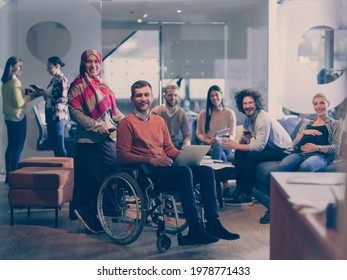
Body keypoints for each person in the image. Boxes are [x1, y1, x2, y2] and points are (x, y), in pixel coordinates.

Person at [117, 80, 240, 245]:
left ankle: (213, 223)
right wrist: (152, 160)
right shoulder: (126, 123)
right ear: (132, 99)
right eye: (139, 95)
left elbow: (169, 149)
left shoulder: (158, 121)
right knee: (183, 171)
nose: (143, 98)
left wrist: (187, 155)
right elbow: (122, 156)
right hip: (146, 172)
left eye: (146, 94)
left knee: (206, 171)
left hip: (166, 167)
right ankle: (195, 228)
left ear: (152, 97)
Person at [68, 49, 125, 233]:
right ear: (83, 63)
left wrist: (130, 123)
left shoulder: (103, 86)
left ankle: (92, 211)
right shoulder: (77, 85)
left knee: (113, 173)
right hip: (88, 140)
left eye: (96, 62)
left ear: (100, 64)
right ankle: (87, 212)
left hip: (108, 137)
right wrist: (96, 125)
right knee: (92, 180)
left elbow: (114, 114)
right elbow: (74, 113)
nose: (93, 65)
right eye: (89, 61)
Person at [222, 89, 292, 223]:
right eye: (245, 103)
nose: (247, 106)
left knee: (252, 156)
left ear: (257, 104)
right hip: (269, 148)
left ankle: (247, 194)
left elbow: (258, 146)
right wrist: (240, 141)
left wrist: (234, 145)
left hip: (283, 150)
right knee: (239, 152)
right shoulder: (248, 120)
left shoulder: (262, 118)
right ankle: (239, 189)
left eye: (250, 103)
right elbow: (247, 140)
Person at [278, 93, 343, 172]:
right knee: (283, 166)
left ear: (328, 104)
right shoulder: (306, 124)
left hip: (320, 156)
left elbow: (336, 148)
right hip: (300, 154)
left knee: (306, 166)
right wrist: (303, 133)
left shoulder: (335, 124)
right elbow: (294, 145)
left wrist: (317, 147)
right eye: (315, 104)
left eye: (322, 103)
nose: (318, 106)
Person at [1, 56, 38, 184]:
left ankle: (9, 175)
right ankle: (14, 176)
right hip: (18, 118)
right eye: (19, 66)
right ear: (12, 67)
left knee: (11, 146)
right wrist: (30, 96)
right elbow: (19, 103)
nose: (21, 68)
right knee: (18, 147)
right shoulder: (15, 82)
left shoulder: (5, 82)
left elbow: (13, 100)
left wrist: (24, 94)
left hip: (8, 118)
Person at [196, 85, 236, 191]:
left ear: (222, 96)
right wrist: (208, 140)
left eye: (216, 95)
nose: (214, 98)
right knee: (219, 153)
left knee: (218, 145)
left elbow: (232, 135)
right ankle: (224, 184)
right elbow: (198, 133)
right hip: (208, 147)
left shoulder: (229, 113)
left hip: (225, 145)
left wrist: (219, 139)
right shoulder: (203, 113)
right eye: (211, 96)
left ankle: (214, 185)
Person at [37, 56, 69, 157]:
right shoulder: (53, 80)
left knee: (60, 145)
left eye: (50, 67)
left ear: (57, 66)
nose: (48, 70)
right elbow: (50, 99)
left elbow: (62, 99)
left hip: (58, 116)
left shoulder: (62, 80)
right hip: (50, 114)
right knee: (54, 145)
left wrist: (47, 95)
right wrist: (44, 95)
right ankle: (58, 169)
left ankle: (65, 169)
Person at [151, 84, 191, 149]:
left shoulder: (181, 113)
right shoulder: (155, 112)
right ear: (164, 96)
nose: (173, 98)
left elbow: (187, 135)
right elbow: (152, 135)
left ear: (179, 97)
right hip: (160, 147)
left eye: (176, 95)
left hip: (175, 147)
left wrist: (186, 144)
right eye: (170, 95)